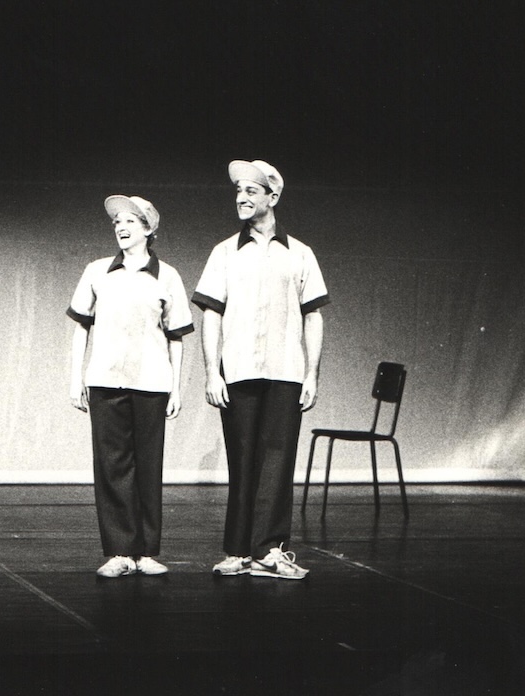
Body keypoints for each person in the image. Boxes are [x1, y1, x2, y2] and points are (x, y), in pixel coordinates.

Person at [192, 160, 329, 580]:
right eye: (238, 191)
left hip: (286, 371)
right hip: (238, 370)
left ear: (273, 196)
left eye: (251, 191)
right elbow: (211, 315)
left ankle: (269, 550)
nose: (241, 198)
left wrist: (312, 373)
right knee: (242, 460)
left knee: (278, 462)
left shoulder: (300, 253)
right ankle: (238, 551)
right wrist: (212, 371)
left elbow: (313, 316)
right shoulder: (224, 252)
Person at [67, 195, 194, 578]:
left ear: (148, 229)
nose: (121, 227)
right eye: (117, 222)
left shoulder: (166, 276)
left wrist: (176, 388)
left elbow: (176, 336)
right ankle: (120, 551)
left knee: (148, 467)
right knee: (111, 467)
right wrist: (76, 378)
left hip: (151, 382)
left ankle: (146, 551)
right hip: (105, 381)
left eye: (130, 221)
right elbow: (81, 327)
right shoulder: (97, 271)